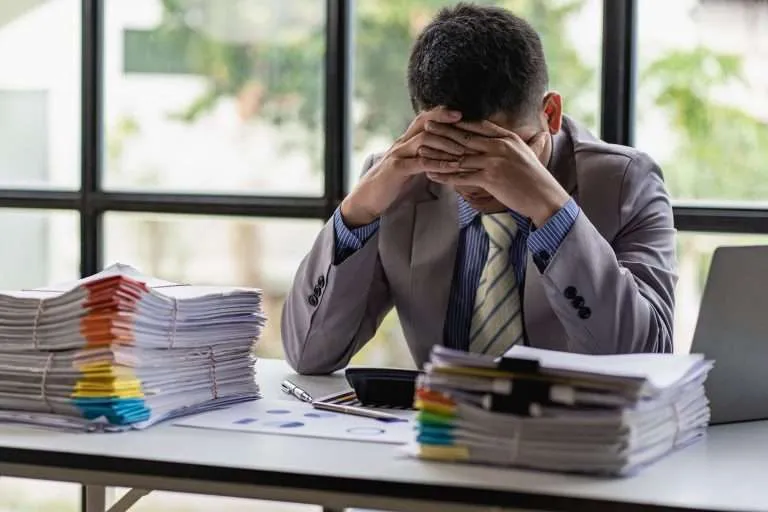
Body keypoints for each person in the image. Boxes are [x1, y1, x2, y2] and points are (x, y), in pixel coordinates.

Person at [281, 3, 677, 375]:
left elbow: (647, 361)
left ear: (550, 114)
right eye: (451, 155)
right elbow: (309, 355)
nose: (473, 180)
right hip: (441, 438)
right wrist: (357, 213)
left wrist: (552, 211)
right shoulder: (398, 185)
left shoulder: (625, 183)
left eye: (502, 152)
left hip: (576, 440)